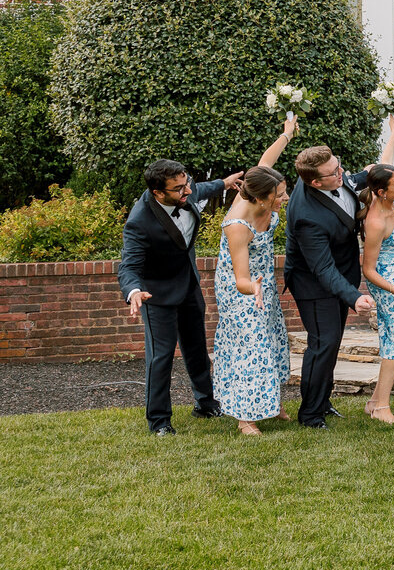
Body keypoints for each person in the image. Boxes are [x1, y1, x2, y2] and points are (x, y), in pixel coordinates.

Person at [118, 160, 244, 435]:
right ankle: (159, 421)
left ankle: (206, 403)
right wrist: (134, 291)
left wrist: (225, 182)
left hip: (188, 287)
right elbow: (128, 266)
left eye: (186, 183)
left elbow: (203, 188)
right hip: (157, 294)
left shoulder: (186, 189)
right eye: (178, 189)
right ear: (157, 193)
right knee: (160, 357)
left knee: (197, 348)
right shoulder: (139, 222)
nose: (187, 191)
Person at [212, 115, 298, 435]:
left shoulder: (257, 188)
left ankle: (268, 403)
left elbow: (265, 162)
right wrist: (255, 289)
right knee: (252, 346)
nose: (284, 198)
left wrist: (286, 134)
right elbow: (239, 279)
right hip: (242, 287)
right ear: (261, 199)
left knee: (271, 341)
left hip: (262, 282)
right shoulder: (238, 224)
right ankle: (245, 417)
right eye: (279, 195)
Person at [284, 146, 374, 429]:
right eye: (334, 172)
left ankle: (322, 402)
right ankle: (310, 414)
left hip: (342, 274)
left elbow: (350, 181)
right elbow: (321, 268)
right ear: (315, 182)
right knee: (322, 343)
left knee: (332, 342)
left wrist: (368, 174)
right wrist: (354, 296)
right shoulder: (306, 216)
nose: (341, 174)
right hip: (313, 284)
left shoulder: (330, 174)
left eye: (339, 167)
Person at [359, 116, 394, 424]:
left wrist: (393, 132)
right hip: (385, 282)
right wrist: (393, 290)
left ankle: (374, 401)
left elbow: (382, 166)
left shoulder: (382, 191)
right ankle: (381, 406)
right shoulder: (376, 221)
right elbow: (367, 269)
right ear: (382, 192)